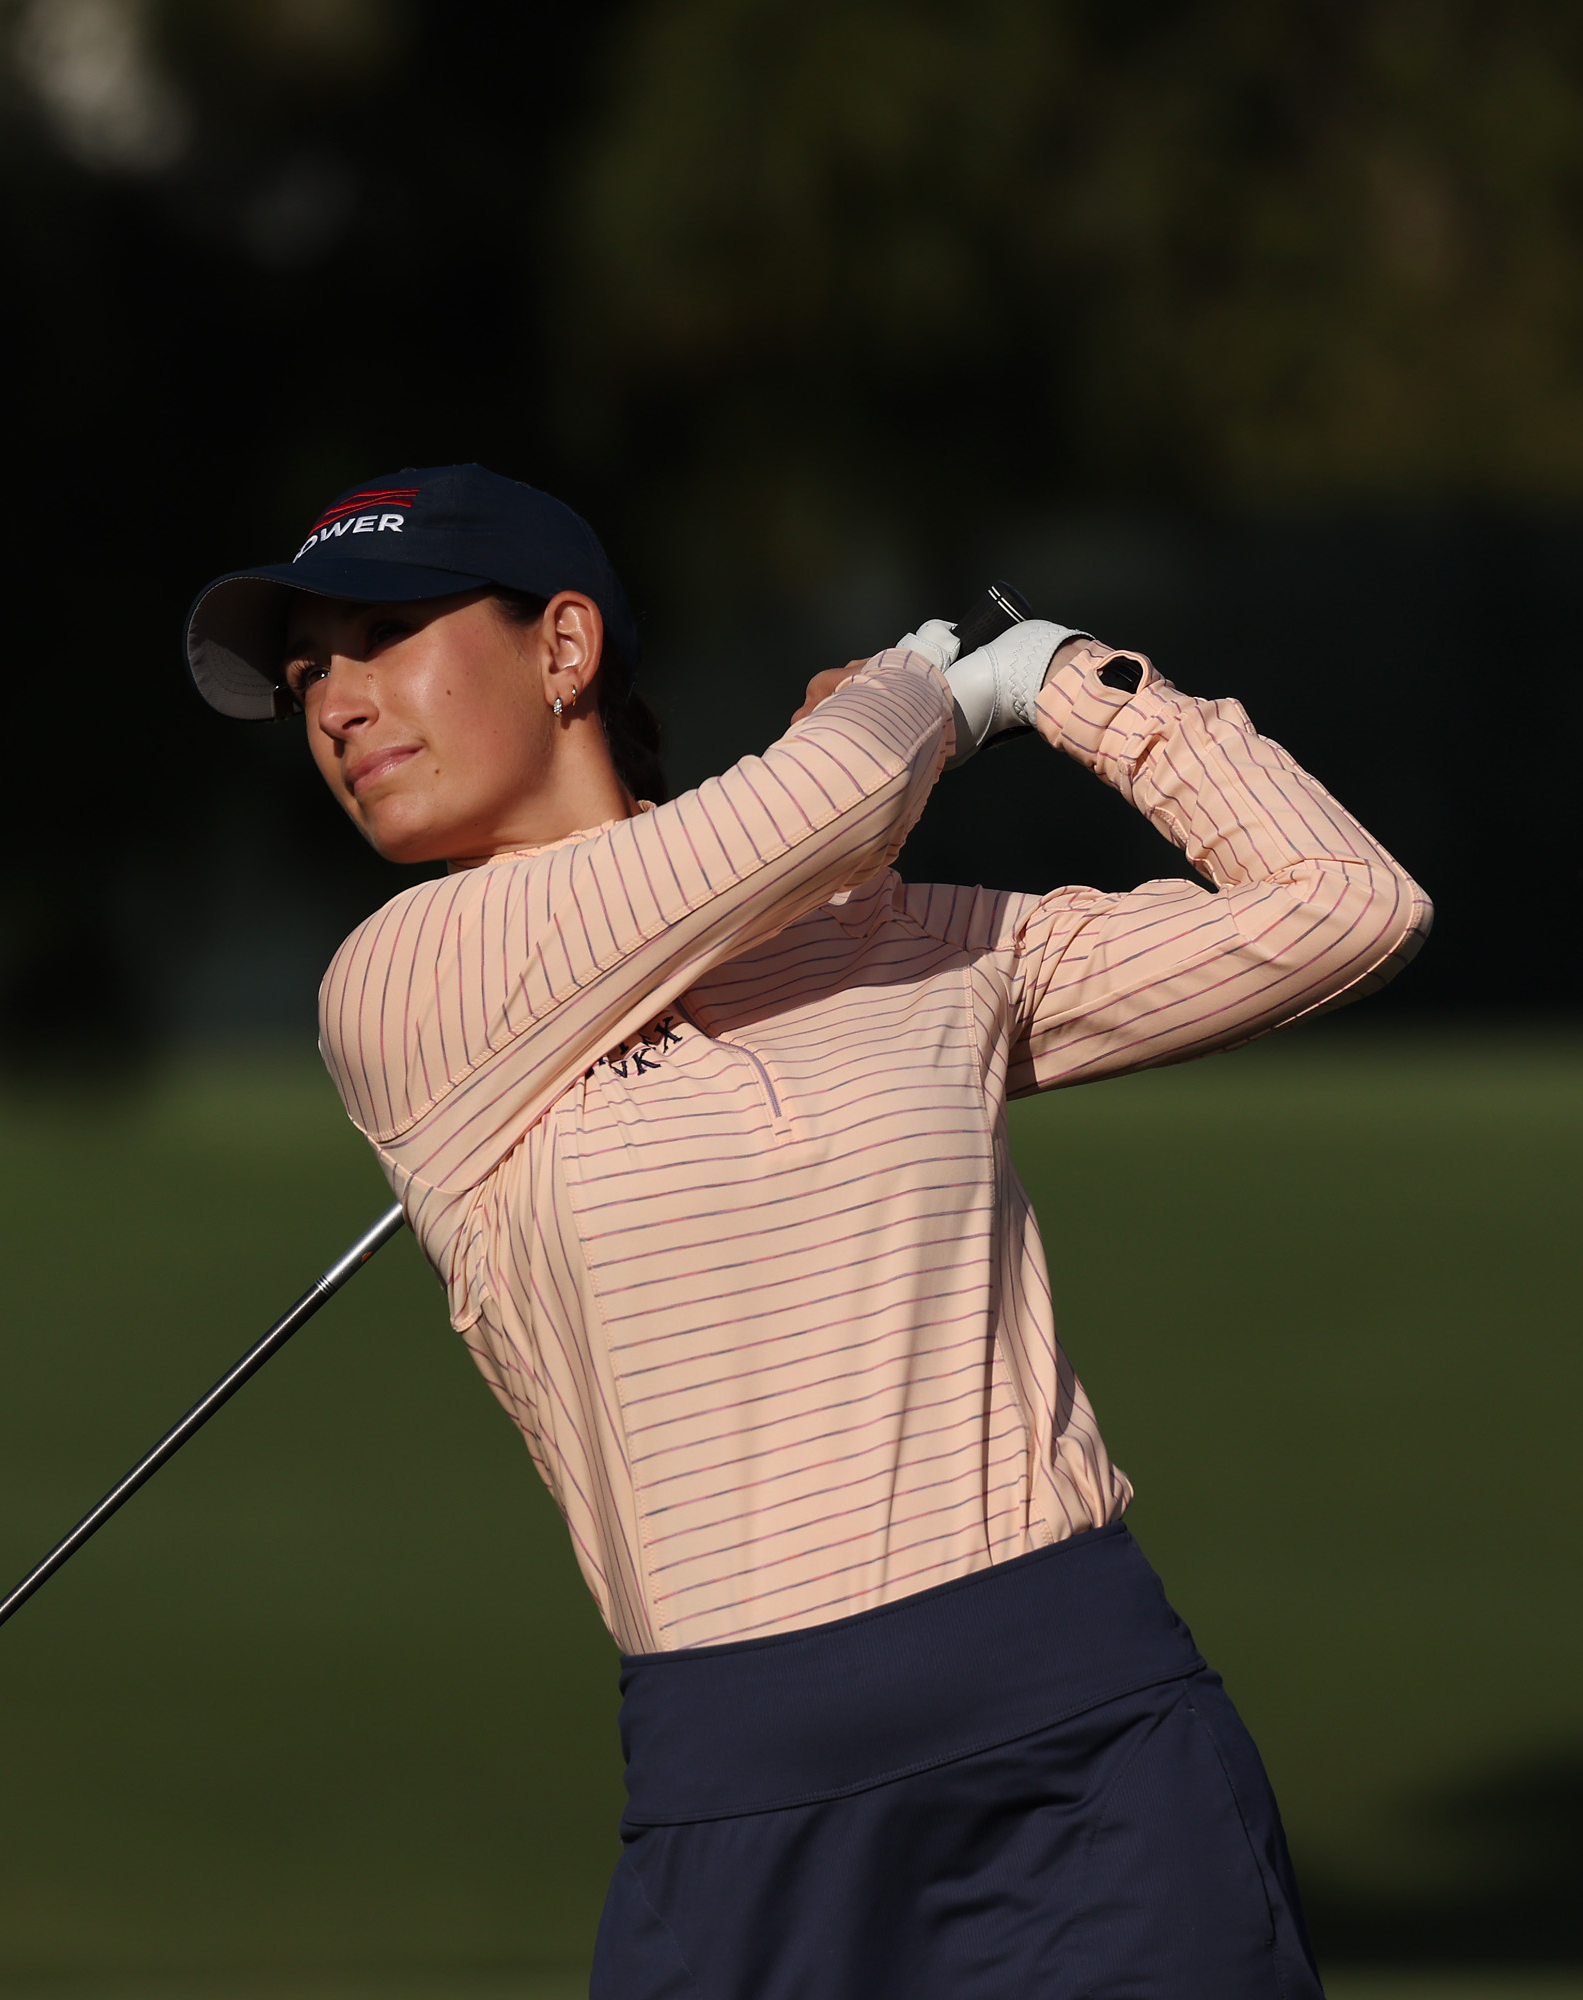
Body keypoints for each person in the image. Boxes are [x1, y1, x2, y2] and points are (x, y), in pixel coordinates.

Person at [182, 464, 1429, 1998]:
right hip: (747, 1804)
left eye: (381, 634)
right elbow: (825, 799)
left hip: (1087, 1741)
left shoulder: (900, 944)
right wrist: (931, 691)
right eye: (309, 675)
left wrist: (1065, 681)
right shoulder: (406, 987)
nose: (337, 704)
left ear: (564, 650)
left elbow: (1347, 904)